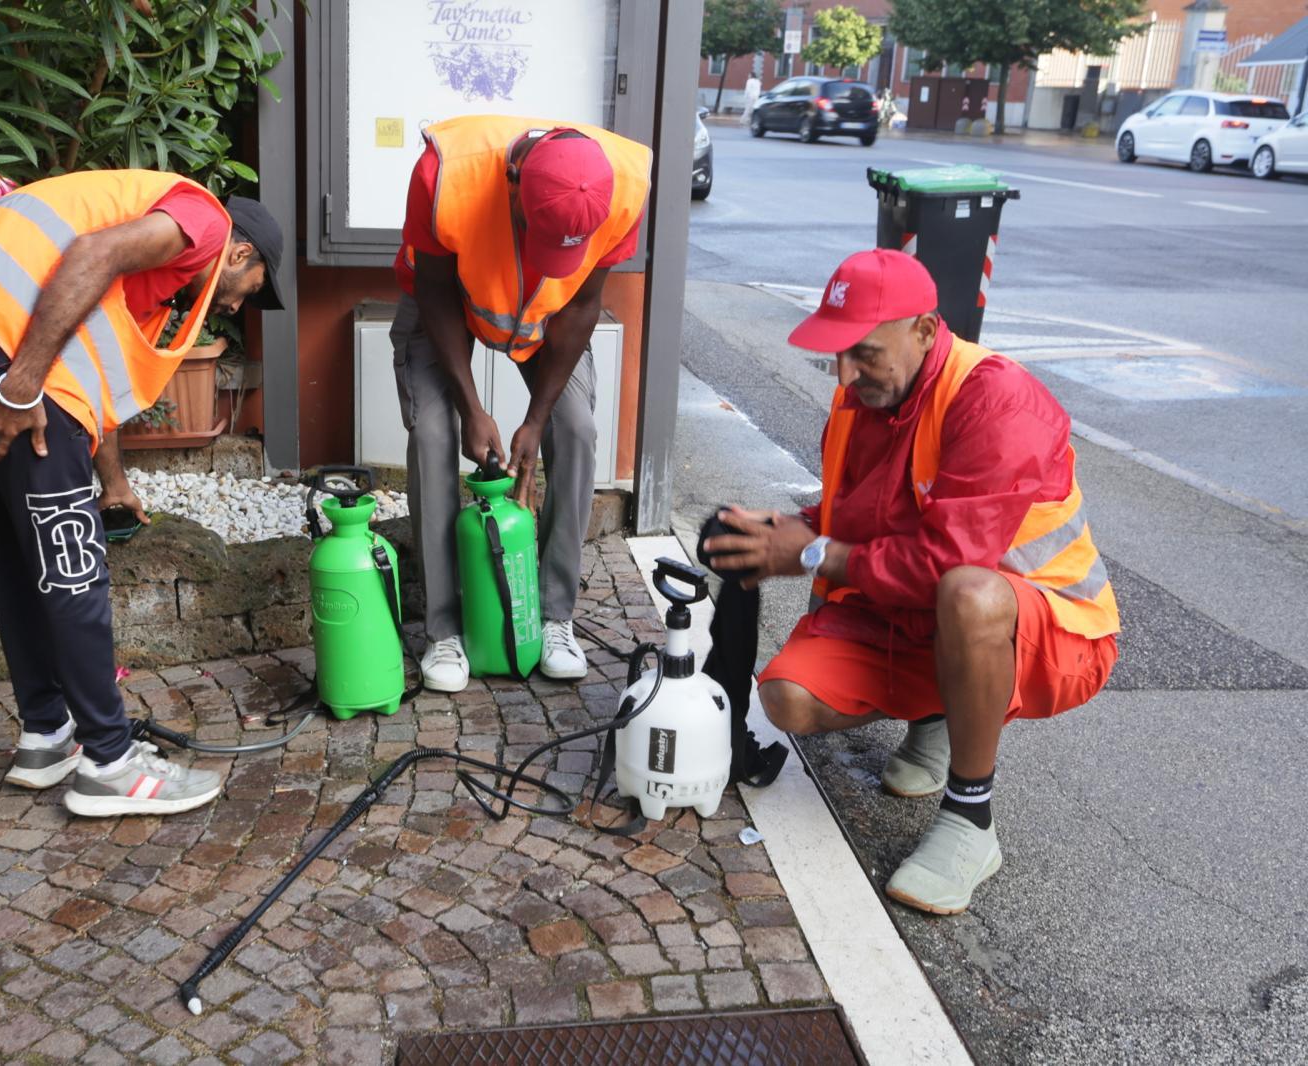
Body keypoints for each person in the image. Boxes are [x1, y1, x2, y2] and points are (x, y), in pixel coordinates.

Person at [705, 250, 1120, 914]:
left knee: (967, 593)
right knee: (787, 698)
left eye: (864, 352)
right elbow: (855, 516)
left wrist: (810, 554)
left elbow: (942, 563)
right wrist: (773, 532)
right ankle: (935, 716)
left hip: (1052, 630)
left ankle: (969, 818)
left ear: (925, 330)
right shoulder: (868, 391)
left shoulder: (996, 399)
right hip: (922, 616)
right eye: (836, 353)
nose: (844, 374)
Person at [0, 171, 286, 817]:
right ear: (243, 253)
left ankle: (46, 734)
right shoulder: (203, 224)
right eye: (253, 290)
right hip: (8, 342)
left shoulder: (156, 276)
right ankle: (109, 763)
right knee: (71, 564)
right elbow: (90, 255)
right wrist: (23, 383)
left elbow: (91, 372)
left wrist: (111, 480)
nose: (238, 306)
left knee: (13, 547)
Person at [390, 115, 652, 692]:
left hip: (549, 317)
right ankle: (443, 630)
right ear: (512, 183)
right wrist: (470, 407)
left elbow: (583, 305)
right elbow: (432, 290)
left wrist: (535, 422)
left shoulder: (627, 186)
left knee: (576, 429)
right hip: (444, 304)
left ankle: (556, 617)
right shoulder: (444, 173)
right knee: (433, 434)